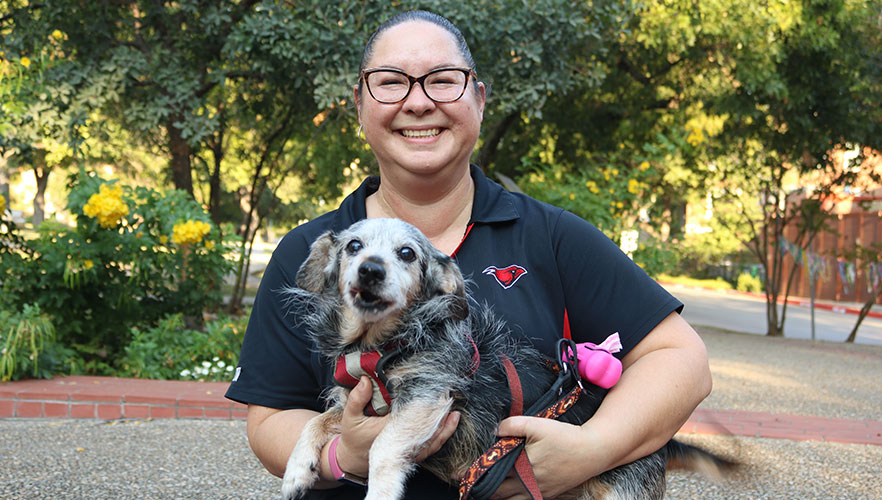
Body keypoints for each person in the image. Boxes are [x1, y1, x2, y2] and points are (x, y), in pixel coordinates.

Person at [225, 10, 712, 500]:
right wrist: (342, 456)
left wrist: (592, 448)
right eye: (391, 82)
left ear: (478, 99)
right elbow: (269, 416)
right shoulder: (312, 248)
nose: (418, 102)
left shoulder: (553, 235)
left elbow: (681, 360)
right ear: (359, 103)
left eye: (443, 81)